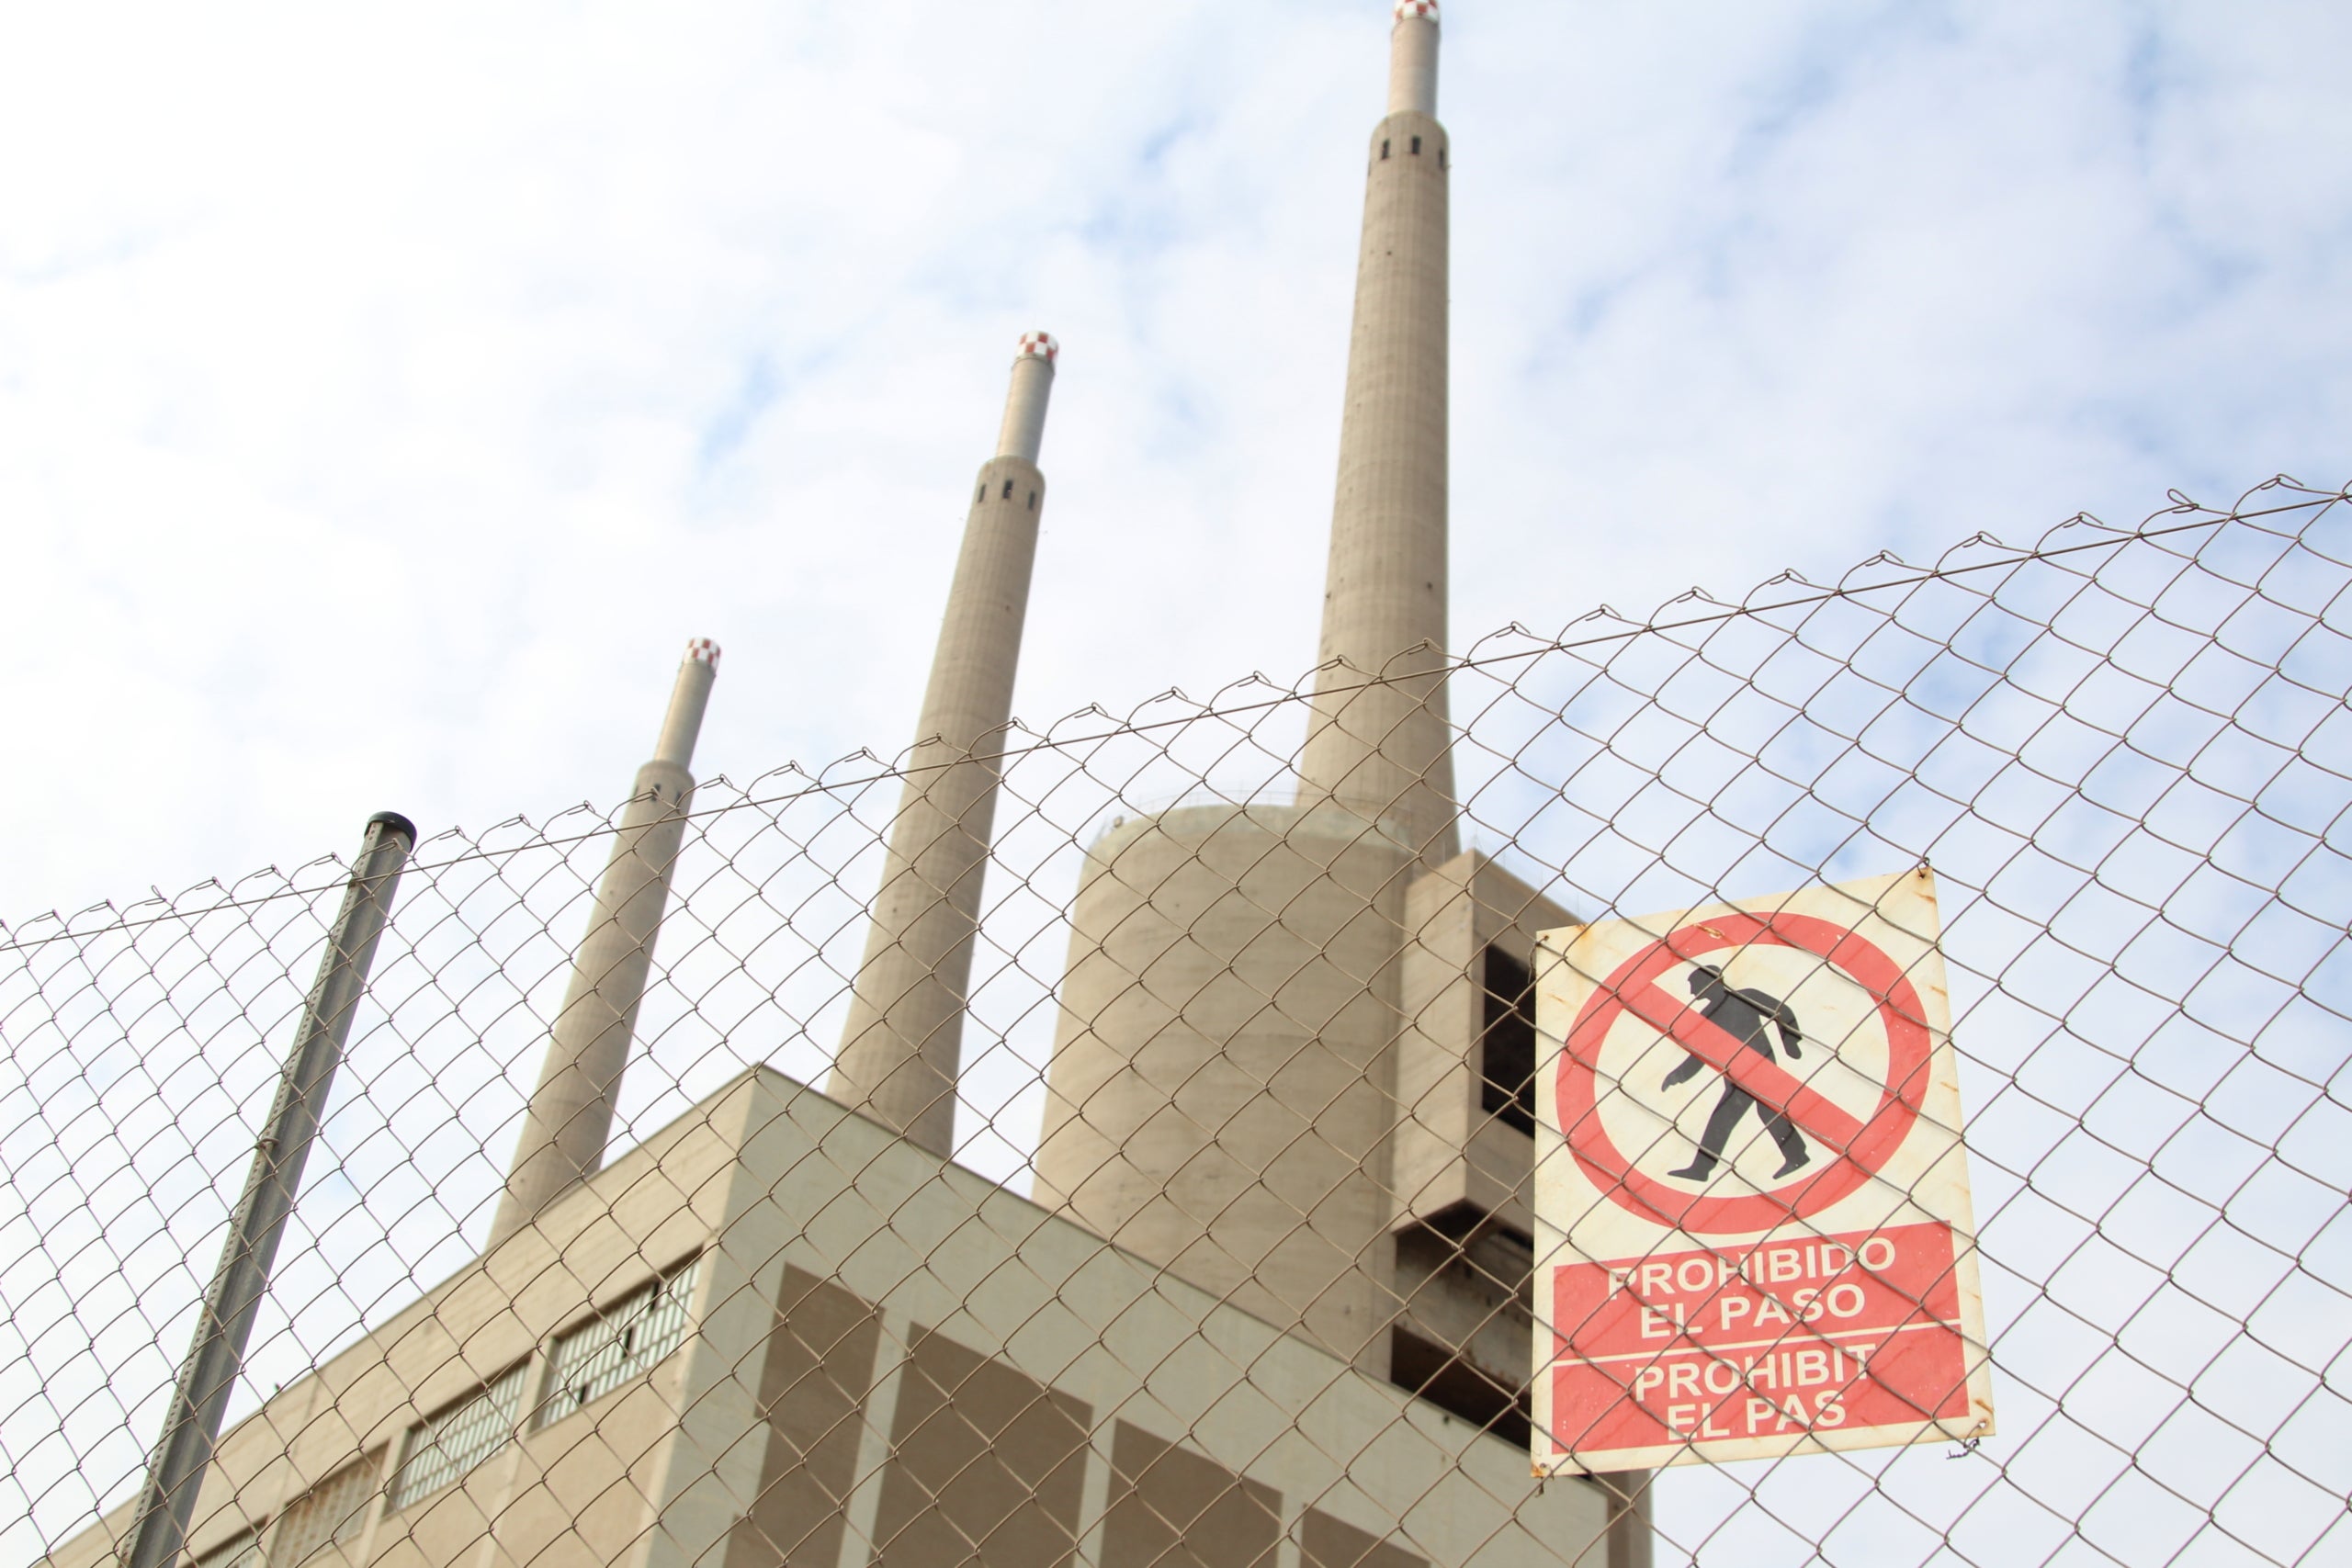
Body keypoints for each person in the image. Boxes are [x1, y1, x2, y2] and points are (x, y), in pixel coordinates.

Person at [1661, 964, 1811, 1181]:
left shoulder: (1746, 997)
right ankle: (1797, 1155)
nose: (1692, 993)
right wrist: (1679, 1075)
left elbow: (1781, 1011)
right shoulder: (1708, 1015)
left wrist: (1791, 1041)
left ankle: (1702, 1169)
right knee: (1764, 1113)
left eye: (1695, 986)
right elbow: (1700, 1054)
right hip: (1736, 1076)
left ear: (1710, 983)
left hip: (1760, 1067)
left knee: (1727, 1118)